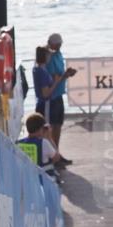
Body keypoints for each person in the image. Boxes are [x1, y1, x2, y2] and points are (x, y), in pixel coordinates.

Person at [46, 32, 77, 164]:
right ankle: (52, 155)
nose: (59, 46)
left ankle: (56, 152)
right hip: (52, 96)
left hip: (59, 95)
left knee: (58, 125)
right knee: (51, 126)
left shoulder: (59, 55)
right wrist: (65, 75)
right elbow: (55, 79)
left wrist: (66, 73)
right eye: (57, 44)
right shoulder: (50, 57)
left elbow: (60, 76)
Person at [16, 112, 63, 181]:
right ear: (40, 129)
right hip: (42, 181)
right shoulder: (44, 143)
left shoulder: (18, 143)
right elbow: (57, 158)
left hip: (26, 180)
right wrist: (49, 138)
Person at [32, 46, 67, 127]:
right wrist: (56, 82)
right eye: (48, 55)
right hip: (46, 105)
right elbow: (45, 93)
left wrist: (62, 77)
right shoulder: (42, 72)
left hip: (41, 103)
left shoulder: (37, 69)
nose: (50, 57)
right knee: (46, 128)